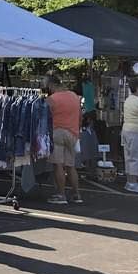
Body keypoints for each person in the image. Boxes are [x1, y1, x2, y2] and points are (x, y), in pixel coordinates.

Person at [44, 74, 83, 206]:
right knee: (71, 166)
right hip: (73, 133)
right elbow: (80, 116)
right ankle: (76, 194)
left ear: (51, 85)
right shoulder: (74, 96)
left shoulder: (51, 99)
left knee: (58, 165)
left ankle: (61, 194)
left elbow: (45, 118)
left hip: (57, 132)